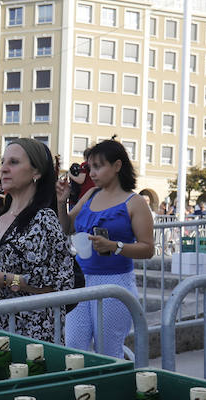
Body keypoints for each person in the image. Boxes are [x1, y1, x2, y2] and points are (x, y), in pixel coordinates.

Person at [0, 138, 75, 342]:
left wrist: (5, 280)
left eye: (14, 162)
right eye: (3, 162)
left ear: (36, 172)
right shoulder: (0, 218)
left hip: (33, 338)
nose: (4, 169)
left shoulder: (44, 220)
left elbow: (61, 286)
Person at [57, 138, 155, 358]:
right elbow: (67, 226)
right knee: (73, 346)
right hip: (81, 281)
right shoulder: (90, 195)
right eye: (90, 167)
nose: (92, 173)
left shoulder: (134, 202)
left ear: (117, 166)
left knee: (108, 349)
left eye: (98, 166)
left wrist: (115, 246)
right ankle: (79, 390)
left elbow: (148, 249)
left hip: (115, 282)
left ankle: (110, 390)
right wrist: (61, 202)